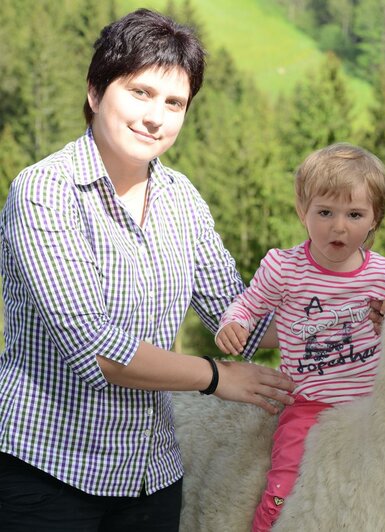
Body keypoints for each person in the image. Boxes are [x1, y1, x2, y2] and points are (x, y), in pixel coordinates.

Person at [0, 9, 296, 531]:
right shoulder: (43, 192)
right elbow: (99, 351)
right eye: (140, 92)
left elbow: (238, 320)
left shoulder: (182, 199)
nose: (155, 116)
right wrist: (215, 377)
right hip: (45, 476)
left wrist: (346, 310)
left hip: (151, 480)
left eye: (174, 102)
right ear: (95, 93)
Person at [214, 143, 385, 531]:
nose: (339, 226)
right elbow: (246, 305)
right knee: (285, 480)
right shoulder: (284, 268)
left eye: (355, 214)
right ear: (303, 211)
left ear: (374, 219)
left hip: (374, 405)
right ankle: (268, 524)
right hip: (309, 404)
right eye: (325, 212)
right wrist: (235, 324)